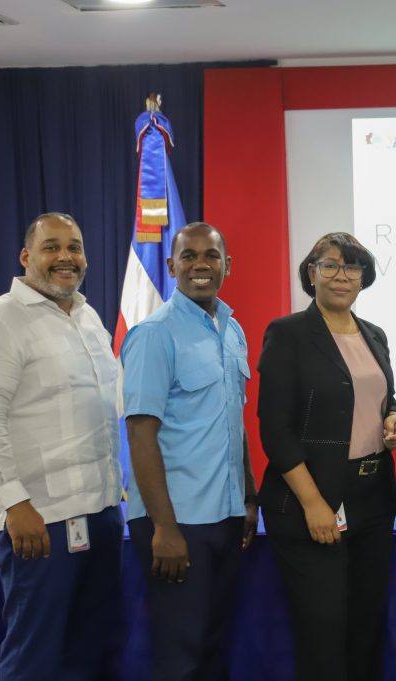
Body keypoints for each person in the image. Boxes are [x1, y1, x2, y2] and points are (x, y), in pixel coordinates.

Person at [0, 213, 124, 681]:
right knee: (35, 657)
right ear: (26, 256)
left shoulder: (88, 318)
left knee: (88, 650)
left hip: (100, 513)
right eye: (52, 247)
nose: (65, 257)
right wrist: (14, 502)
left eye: (75, 247)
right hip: (38, 520)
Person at [257, 232, 396, 681]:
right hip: (313, 501)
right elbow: (275, 428)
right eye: (331, 265)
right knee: (323, 637)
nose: (342, 275)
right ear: (312, 272)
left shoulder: (375, 334)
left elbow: (386, 398)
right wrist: (313, 503)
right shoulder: (288, 334)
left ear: (364, 277)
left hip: (373, 499)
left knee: (366, 630)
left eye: (352, 267)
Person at [121, 222, 258, 680]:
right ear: (171, 265)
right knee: (182, 655)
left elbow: (234, 423)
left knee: (214, 645)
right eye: (189, 256)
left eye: (211, 256)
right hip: (177, 522)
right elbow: (140, 434)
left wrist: (248, 498)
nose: (201, 264)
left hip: (226, 515)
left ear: (227, 265)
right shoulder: (154, 334)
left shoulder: (232, 330)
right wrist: (165, 528)